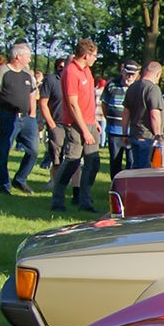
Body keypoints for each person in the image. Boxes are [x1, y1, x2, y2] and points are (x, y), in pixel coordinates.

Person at [51, 38, 101, 213]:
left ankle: (85, 200)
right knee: (72, 161)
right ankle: (57, 199)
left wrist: (93, 120)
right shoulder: (71, 72)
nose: (96, 58)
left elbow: (87, 99)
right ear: (86, 55)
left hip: (89, 122)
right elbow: (73, 104)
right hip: (75, 125)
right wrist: (84, 130)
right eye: (94, 55)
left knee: (93, 162)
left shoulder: (87, 71)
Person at [0, 43, 39, 194]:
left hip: (27, 119)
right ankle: (4, 185)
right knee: (3, 151)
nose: (30, 60)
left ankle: (20, 179)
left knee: (33, 151)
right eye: (28, 56)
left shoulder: (27, 74)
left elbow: (33, 94)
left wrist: (33, 114)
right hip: (7, 116)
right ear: (18, 56)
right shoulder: (2, 71)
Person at [123, 60, 164, 169]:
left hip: (134, 134)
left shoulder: (132, 87)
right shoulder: (153, 89)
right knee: (146, 171)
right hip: (148, 137)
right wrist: (158, 136)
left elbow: (126, 113)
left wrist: (124, 134)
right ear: (158, 74)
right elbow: (154, 114)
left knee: (135, 167)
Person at [100, 60, 138, 177]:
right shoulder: (111, 84)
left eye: (132, 74)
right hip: (114, 131)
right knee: (115, 161)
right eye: (128, 73)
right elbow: (104, 105)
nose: (130, 77)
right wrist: (110, 119)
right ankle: (115, 188)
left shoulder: (138, 88)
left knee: (132, 163)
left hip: (132, 132)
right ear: (122, 71)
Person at [37, 58, 64, 174]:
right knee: (56, 157)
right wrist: (51, 124)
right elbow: (43, 103)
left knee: (71, 157)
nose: (63, 70)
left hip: (71, 124)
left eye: (65, 67)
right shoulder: (51, 80)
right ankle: (55, 182)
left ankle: (70, 183)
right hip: (56, 123)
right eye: (60, 67)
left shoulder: (72, 80)